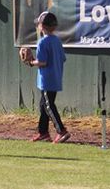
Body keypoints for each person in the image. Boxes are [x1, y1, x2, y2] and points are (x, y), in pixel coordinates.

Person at [27, 12, 70, 144]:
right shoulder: (57, 41)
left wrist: (30, 62)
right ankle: (43, 132)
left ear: (41, 26)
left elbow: (42, 62)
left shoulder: (42, 42)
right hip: (56, 77)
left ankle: (61, 130)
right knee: (43, 105)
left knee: (48, 105)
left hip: (46, 79)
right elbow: (62, 59)